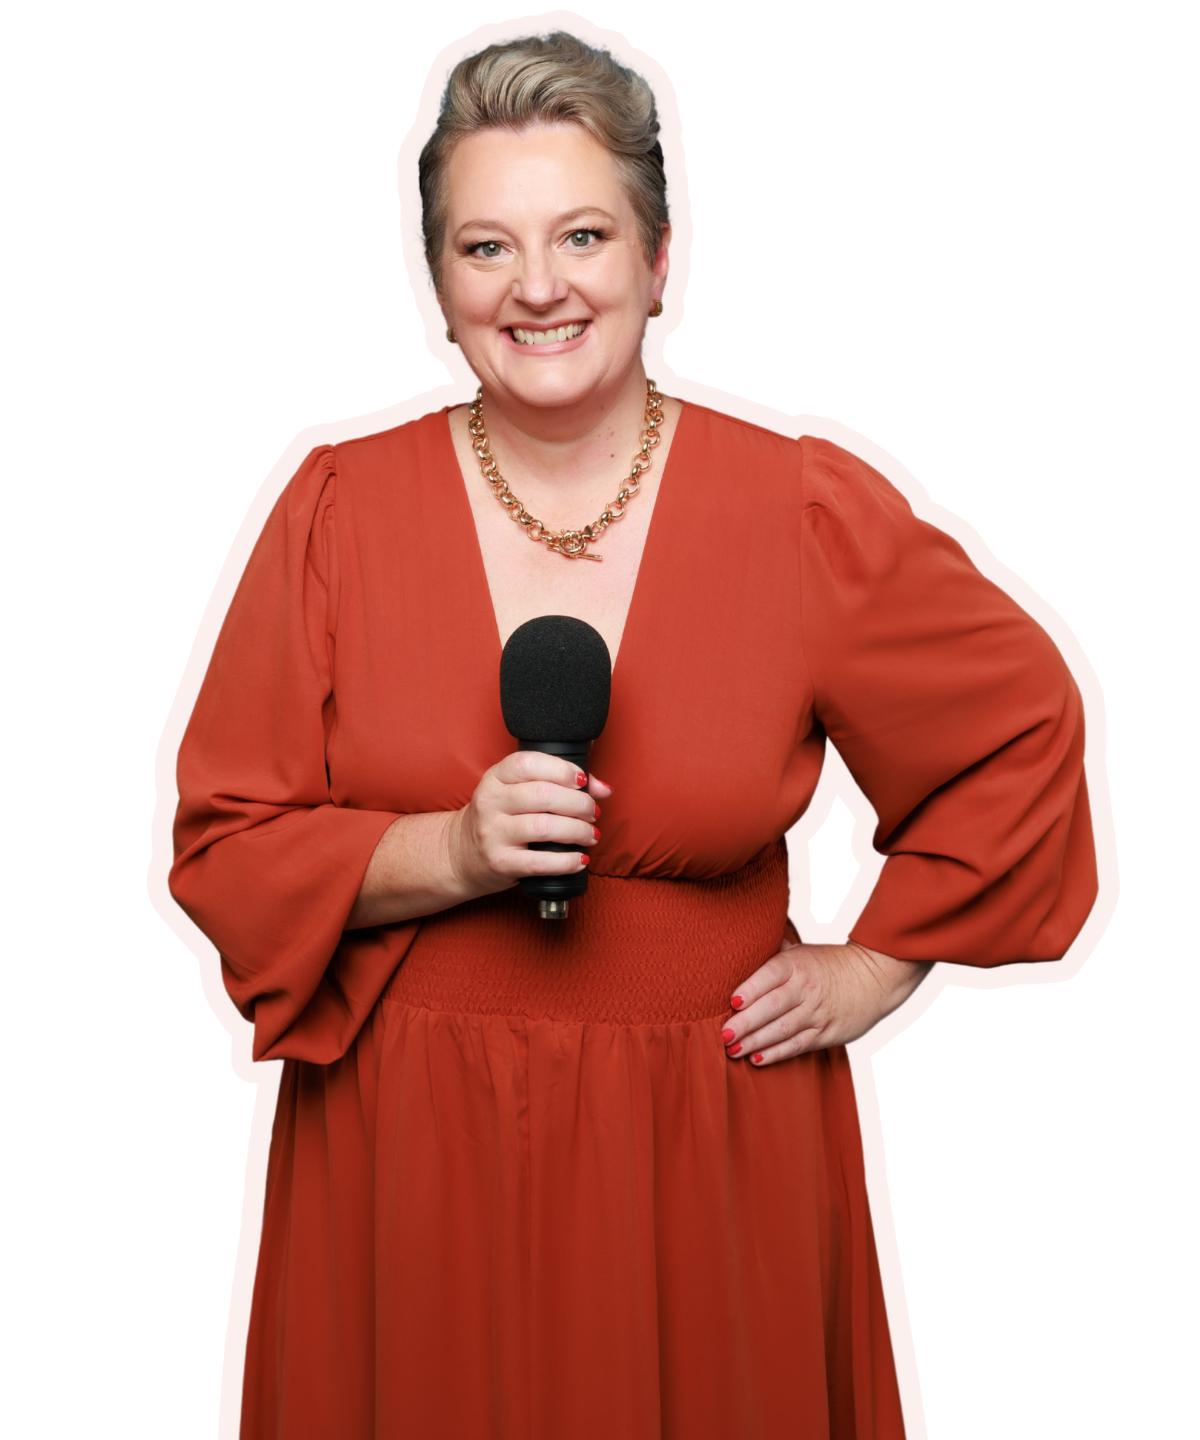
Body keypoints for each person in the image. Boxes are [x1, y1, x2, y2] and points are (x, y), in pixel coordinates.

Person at [169, 30, 1098, 1440]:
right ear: (437, 286)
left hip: (713, 1143)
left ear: (662, 259)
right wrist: (451, 851)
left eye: (583, 235)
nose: (537, 286)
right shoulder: (333, 506)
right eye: (486, 247)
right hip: (409, 1149)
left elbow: (1021, 719)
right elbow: (224, 846)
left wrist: (882, 960)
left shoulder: (800, 506)